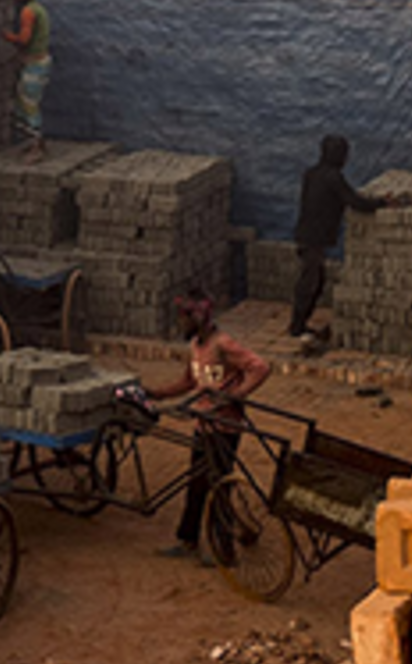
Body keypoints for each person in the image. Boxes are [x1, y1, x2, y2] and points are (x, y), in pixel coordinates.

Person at [146, 293, 269, 562]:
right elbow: (189, 382)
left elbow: (260, 367)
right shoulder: (195, 346)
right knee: (196, 485)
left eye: (183, 318)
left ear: (198, 317)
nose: (180, 324)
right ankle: (188, 540)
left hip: (224, 429)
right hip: (204, 425)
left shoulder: (222, 344)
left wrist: (238, 394)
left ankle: (223, 551)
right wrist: (158, 394)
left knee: (219, 487)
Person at [289, 135, 387, 343]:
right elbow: (354, 201)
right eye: (343, 154)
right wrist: (381, 203)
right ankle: (297, 327)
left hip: (306, 233)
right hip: (314, 238)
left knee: (316, 281)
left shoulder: (312, 174)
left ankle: (300, 323)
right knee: (309, 284)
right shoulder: (333, 177)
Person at [1, 0, 51, 163]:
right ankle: (36, 143)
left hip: (35, 65)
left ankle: (36, 148)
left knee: (28, 105)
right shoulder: (39, 9)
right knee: (27, 103)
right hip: (40, 62)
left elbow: (24, 39)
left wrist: (6, 36)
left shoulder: (28, 12)